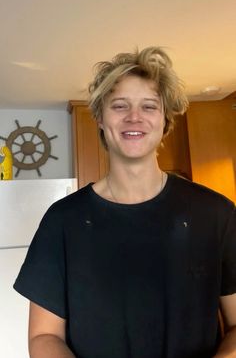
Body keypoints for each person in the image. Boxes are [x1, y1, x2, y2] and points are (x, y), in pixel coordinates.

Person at [14, 46, 236, 358]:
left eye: (149, 106)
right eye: (119, 106)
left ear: (164, 120)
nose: (135, 117)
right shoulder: (62, 221)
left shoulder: (217, 214)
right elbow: (44, 336)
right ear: (101, 119)